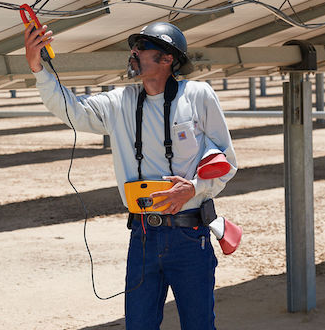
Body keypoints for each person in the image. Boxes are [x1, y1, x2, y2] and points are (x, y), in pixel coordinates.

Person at [24, 21, 237, 330]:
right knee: (138, 325)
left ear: (167, 59)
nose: (134, 52)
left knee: (199, 324)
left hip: (189, 237)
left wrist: (194, 189)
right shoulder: (119, 102)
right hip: (143, 236)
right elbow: (70, 109)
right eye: (133, 47)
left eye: (142, 47)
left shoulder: (198, 96)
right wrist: (37, 67)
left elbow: (227, 161)